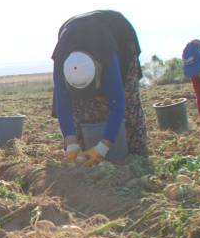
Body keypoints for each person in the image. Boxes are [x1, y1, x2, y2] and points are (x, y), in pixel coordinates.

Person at [52, 10, 148, 165]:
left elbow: (118, 103)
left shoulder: (109, 59)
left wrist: (103, 147)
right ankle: (83, 146)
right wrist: (71, 142)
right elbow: (62, 104)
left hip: (121, 38)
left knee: (130, 101)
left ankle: (136, 153)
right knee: (82, 108)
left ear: (98, 70)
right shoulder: (60, 61)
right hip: (73, 34)